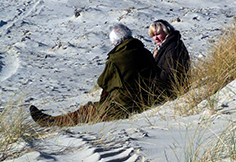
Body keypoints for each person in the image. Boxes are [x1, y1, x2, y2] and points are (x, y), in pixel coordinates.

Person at [30, 24, 158, 127]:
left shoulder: (117, 59)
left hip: (123, 106)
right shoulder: (145, 52)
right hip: (146, 100)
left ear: (114, 42)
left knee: (86, 111)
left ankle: (51, 122)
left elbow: (103, 82)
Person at [149, 19, 190, 100]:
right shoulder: (161, 47)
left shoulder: (173, 47)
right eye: (153, 35)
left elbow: (170, 72)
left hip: (171, 92)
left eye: (158, 34)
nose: (155, 38)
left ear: (166, 32)